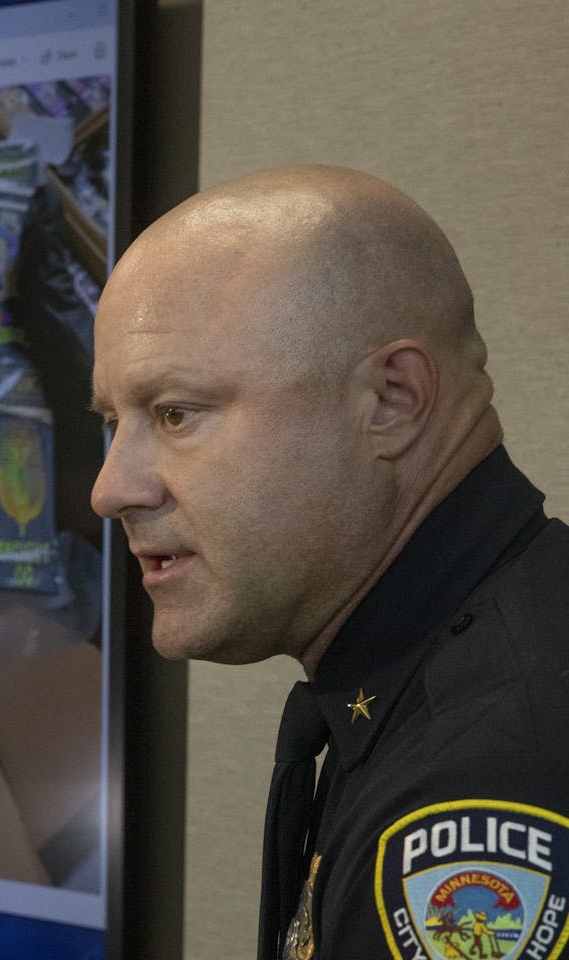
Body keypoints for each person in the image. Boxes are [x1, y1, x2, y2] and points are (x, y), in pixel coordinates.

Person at [88, 164, 569, 958]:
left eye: (175, 413)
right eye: (114, 420)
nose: (112, 488)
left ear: (393, 400)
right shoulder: (482, 652)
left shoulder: (482, 789)